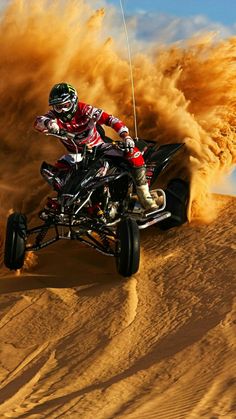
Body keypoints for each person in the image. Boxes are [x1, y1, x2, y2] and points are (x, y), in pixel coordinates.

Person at [34, 82, 157, 210]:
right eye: (57, 107)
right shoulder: (53, 117)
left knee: (133, 153)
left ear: (74, 101)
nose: (62, 110)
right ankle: (66, 200)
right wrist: (48, 123)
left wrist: (125, 136)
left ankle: (144, 195)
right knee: (54, 169)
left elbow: (111, 119)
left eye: (65, 105)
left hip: (99, 149)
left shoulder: (86, 110)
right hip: (77, 155)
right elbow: (38, 121)